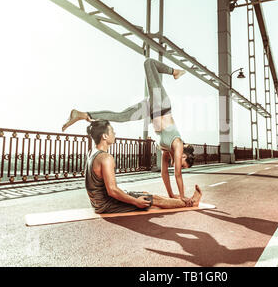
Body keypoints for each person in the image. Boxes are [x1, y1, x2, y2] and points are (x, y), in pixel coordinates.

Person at [62, 58, 196, 206]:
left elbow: (165, 174)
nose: (179, 165)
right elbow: (177, 174)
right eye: (183, 164)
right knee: (149, 63)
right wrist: (182, 196)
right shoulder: (177, 144)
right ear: (183, 155)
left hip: (152, 110)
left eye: (182, 166)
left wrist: (171, 195)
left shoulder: (166, 149)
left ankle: (82, 114)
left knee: (121, 116)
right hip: (161, 104)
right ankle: (175, 72)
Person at [84, 119, 202, 214]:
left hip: (97, 204)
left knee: (146, 194)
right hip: (108, 205)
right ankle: (191, 202)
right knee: (154, 200)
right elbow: (112, 191)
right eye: (112, 131)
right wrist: (136, 202)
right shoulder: (106, 158)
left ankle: (176, 199)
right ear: (104, 136)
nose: (114, 133)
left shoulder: (92, 153)